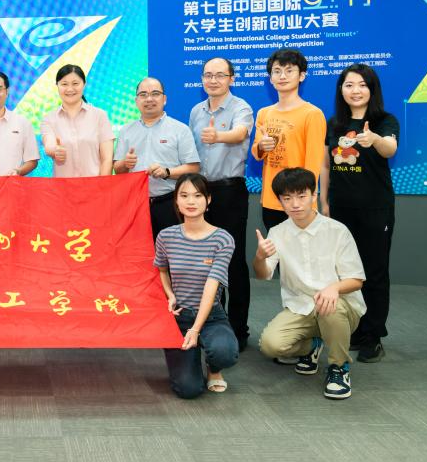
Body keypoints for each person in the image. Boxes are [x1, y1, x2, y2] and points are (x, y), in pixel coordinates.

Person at [254, 167, 366, 400]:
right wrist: (260, 257)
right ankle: (313, 345)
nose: (295, 204)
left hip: (339, 307)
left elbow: (356, 280)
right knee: (270, 345)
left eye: (301, 196)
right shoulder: (277, 232)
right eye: (287, 198)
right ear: (280, 201)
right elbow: (263, 275)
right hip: (300, 307)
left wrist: (334, 288)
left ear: (314, 195)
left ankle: (339, 367)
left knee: (330, 307)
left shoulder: (337, 231)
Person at [320, 63, 399, 363]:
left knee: (374, 272)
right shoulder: (334, 123)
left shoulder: (384, 120)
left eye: (362, 85)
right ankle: (353, 328)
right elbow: (326, 164)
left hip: (375, 209)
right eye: (349, 84)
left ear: (372, 89)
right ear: (341, 90)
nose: (356, 90)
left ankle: (373, 335)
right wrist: (324, 202)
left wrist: (375, 140)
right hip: (341, 208)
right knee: (345, 272)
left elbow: (390, 148)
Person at [188, 57, 255, 349]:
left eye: (219, 75)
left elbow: (240, 134)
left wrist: (218, 136)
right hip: (201, 192)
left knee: (233, 261)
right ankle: (213, 324)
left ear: (232, 78)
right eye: (208, 75)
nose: (212, 80)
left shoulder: (241, 107)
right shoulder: (196, 111)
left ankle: (238, 329)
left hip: (229, 191)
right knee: (206, 261)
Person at [155, 173, 239, 398]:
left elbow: (212, 286)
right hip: (179, 318)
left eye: (197, 195)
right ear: (176, 200)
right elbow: (161, 270)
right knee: (188, 389)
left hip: (211, 316)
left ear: (208, 199)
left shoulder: (222, 239)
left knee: (225, 353)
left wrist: (196, 329)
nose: (190, 201)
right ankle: (190, 359)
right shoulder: (166, 236)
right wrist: (170, 294)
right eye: (184, 196)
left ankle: (214, 367)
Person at [115, 76, 200, 239]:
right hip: (134, 205)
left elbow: (193, 168)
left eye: (155, 94)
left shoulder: (180, 129)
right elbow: (117, 170)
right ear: (136, 100)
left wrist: (167, 172)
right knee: (137, 251)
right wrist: (125, 163)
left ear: (164, 99)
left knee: (170, 252)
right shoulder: (126, 130)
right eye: (143, 94)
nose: (149, 99)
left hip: (169, 203)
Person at [251, 49, 326, 231]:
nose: (282, 76)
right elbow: (257, 153)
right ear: (270, 78)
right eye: (277, 71)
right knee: (275, 248)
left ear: (302, 76)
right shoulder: (264, 113)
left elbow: (313, 162)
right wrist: (262, 146)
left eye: (289, 70)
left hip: (298, 202)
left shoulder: (312, 114)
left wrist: (306, 199)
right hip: (271, 199)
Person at [40, 64, 114, 177]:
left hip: (94, 185)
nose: (70, 89)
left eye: (75, 83)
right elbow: (49, 144)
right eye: (64, 84)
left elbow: (107, 159)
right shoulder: (49, 119)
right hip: (63, 186)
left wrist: (102, 185)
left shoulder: (99, 116)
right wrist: (55, 150)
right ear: (57, 85)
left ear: (84, 84)